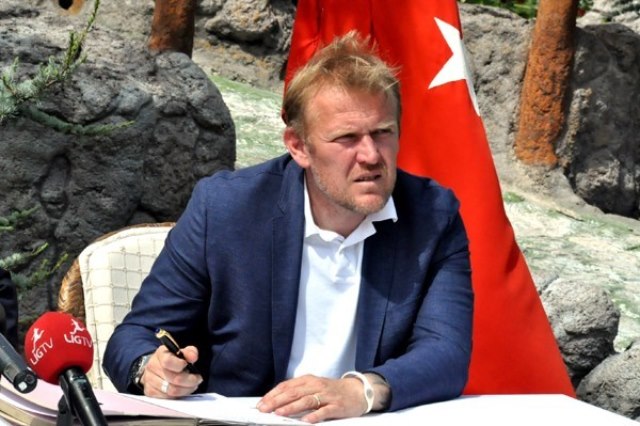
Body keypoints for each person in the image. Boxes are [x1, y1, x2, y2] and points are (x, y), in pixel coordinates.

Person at [103, 31, 473, 423]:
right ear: (298, 146)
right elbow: (135, 337)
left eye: (383, 132)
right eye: (347, 138)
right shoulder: (226, 209)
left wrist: (362, 390)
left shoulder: (433, 216)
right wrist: (151, 370)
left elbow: (446, 352)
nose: (370, 155)